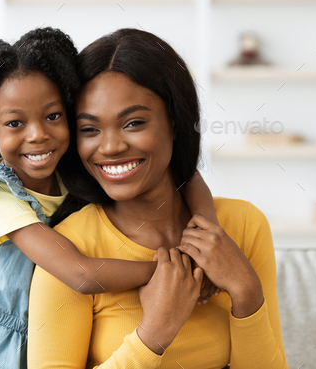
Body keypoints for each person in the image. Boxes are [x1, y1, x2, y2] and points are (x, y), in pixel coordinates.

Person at [0, 27, 220, 369]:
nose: (38, 134)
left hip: (49, 334)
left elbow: (186, 173)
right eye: (15, 123)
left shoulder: (68, 169)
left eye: (53, 116)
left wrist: (207, 240)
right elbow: (81, 274)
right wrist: (172, 269)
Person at [28, 28, 289, 368]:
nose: (110, 147)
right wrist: (153, 334)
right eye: (89, 129)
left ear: (175, 123)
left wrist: (246, 291)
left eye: (134, 123)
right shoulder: (69, 249)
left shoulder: (242, 225)